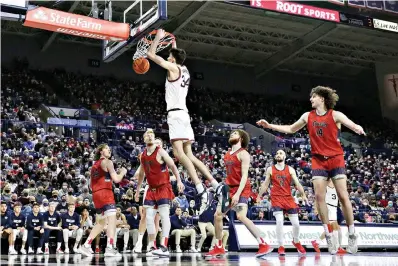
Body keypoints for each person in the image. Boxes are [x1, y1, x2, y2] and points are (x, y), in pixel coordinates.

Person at [257, 86, 365, 254]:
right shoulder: (307, 116)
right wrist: (269, 125)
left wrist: (357, 127)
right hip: (318, 160)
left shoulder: (335, 115)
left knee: (344, 197)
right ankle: (328, 235)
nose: (310, 99)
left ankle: (352, 235)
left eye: (313, 97)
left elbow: (351, 124)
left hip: (336, 158)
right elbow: (291, 129)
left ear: (322, 98)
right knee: (319, 197)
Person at [147, 29, 223, 214]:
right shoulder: (185, 69)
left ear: (172, 59)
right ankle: (214, 183)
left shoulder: (173, 68)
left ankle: (200, 188)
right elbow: (177, 55)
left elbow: (150, 54)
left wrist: (157, 38)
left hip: (176, 115)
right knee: (189, 155)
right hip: (184, 115)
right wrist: (173, 42)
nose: (168, 58)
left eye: (169, 56)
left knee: (179, 154)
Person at [206, 130, 273, 258]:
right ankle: (219, 247)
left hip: (242, 188)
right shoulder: (226, 155)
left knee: (241, 216)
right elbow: (230, 174)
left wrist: (237, 193)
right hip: (229, 188)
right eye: (231, 133)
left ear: (241, 138)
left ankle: (263, 243)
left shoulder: (244, 154)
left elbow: (244, 176)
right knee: (218, 215)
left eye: (235, 133)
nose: (231, 134)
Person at [135, 129, 185, 257]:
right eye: (148, 135)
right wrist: (137, 190)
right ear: (144, 139)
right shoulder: (143, 155)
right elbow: (141, 174)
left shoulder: (161, 151)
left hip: (163, 187)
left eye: (152, 134)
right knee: (149, 217)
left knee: (164, 215)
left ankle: (164, 245)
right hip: (151, 189)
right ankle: (152, 245)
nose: (150, 136)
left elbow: (173, 166)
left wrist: (179, 181)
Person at [80, 144, 127, 257]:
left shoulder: (94, 166)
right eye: (107, 148)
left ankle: (86, 245)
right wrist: (123, 172)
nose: (109, 150)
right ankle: (110, 247)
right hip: (105, 193)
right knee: (111, 221)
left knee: (101, 222)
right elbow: (116, 179)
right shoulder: (108, 162)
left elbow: (91, 186)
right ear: (101, 151)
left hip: (96, 195)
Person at [259, 150, 307, 256]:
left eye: (280, 153)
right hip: (276, 198)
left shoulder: (290, 169)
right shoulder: (270, 169)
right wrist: (259, 195)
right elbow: (265, 184)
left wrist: (303, 194)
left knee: (296, 224)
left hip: (288, 198)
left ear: (284, 156)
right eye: (276, 153)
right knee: (280, 221)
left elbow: (297, 183)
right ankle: (281, 245)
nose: (278, 155)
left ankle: (296, 241)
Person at [132, 138, 163, 254]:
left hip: (161, 190)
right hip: (150, 188)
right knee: (145, 216)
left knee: (156, 219)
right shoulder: (147, 157)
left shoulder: (164, 158)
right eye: (156, 143)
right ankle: (139, 243)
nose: (158, 145)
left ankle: (152, 245)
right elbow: (137, 174)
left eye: (160, 144)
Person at [311, 179, 346, 254]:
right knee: (334, 227)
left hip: (335, 208)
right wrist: (316, 209)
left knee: (335, 228)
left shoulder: (336, 185)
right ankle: (336, 247)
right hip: (327, 207)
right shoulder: (324, 185)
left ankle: (317, 242)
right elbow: (317, 198)